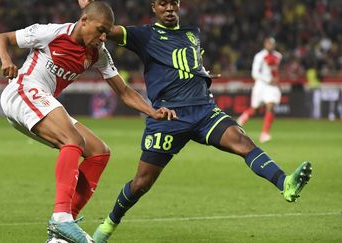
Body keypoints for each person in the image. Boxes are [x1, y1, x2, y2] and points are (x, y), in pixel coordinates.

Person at [82, 1, 313, 242]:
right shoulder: (143, 35)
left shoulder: (193, 33)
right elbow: (106, 28)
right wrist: (89, 8)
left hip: (204, 110)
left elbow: (188, 62)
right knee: (142, 183)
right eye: (163, 4)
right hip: (168, 117)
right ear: (154, 8)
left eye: (173, 3)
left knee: (242, 141)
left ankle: (285, 183)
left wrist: (200, 73)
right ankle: (109, 225)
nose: (169, 8)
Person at [0, 2, 176, 243]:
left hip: (41, 100)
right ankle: (61, 218)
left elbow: (123, 91)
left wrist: (152, 112)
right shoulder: (52, 33)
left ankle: (60, 235)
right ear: (84, 21)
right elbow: (1, 37)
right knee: (73, 140)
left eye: (106, 33)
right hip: (22, 90)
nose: (102, 37)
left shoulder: (98, 53)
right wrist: (6, 60)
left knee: (99, 152)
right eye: (100, 30)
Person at [236, 37, 283, 143]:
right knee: (255, 109)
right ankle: (239, 121)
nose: (270, 45)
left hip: (271, 87)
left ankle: (264, 134)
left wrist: (277, 82)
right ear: (265, 44)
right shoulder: (259, 56)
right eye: (268, 43)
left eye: (272, 44)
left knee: (270, 106)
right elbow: (255, 73)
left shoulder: (278, 56)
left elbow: (275, 72)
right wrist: (268, 80)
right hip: (261, 85)